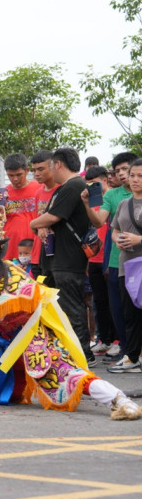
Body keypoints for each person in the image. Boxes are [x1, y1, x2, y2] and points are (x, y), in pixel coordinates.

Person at [0, 205, 140, 420]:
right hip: (6, 345)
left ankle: (119, 399)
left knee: (71, 377)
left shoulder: (11, 273)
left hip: (34, 341)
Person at [30, 148, 95, 367]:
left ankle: (83, 355)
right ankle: (67, 352)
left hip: (68, 260)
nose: (47, 171)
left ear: (58, 164)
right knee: (60, 309)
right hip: (57, 259)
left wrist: (34, 223)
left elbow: (53, 216)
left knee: (73, 308)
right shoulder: (64, 188)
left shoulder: (74, 185)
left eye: (48, 166)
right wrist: (42, 226)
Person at [83, 152, 137, 363]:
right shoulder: (113, 196)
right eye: (119, 171)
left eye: (127, 170)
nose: (124, 175)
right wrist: (87, 204)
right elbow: (99, 222)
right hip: (117, 262)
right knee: (119, 310)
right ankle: (126, 352)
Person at [105, 157, 142, 374]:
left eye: (140, 176)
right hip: (126, 266)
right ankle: (131, 356)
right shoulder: (123, 204)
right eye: (133, 175)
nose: (135, 180)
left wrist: (139, 240)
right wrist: (118, 239)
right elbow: (115, 229)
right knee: (130, 313)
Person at [82, 166, 116, 355]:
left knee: (113, 301)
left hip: (110, 257)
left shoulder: (112, 198)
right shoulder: (91, 202)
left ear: (105, 180)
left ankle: (117, 339)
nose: (92, 186)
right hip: (93, 257)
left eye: (95, 183)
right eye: (89, 183)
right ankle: (104, 339)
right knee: (99, 302)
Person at [3, 153, 41, 260]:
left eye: (19, 175)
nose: (15, 179)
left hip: (36, 248)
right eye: (10, 175)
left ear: (27, 170)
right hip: (10, 251)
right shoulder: (2, 194)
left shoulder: (39, 188)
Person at [29, 150, 58, 281]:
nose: (36, 174)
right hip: (38, 253)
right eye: (34, 170)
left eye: (41, 169)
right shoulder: (38, 192)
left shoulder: (63, 189)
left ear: (52, 167)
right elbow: (37, 220)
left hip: (57, 255)